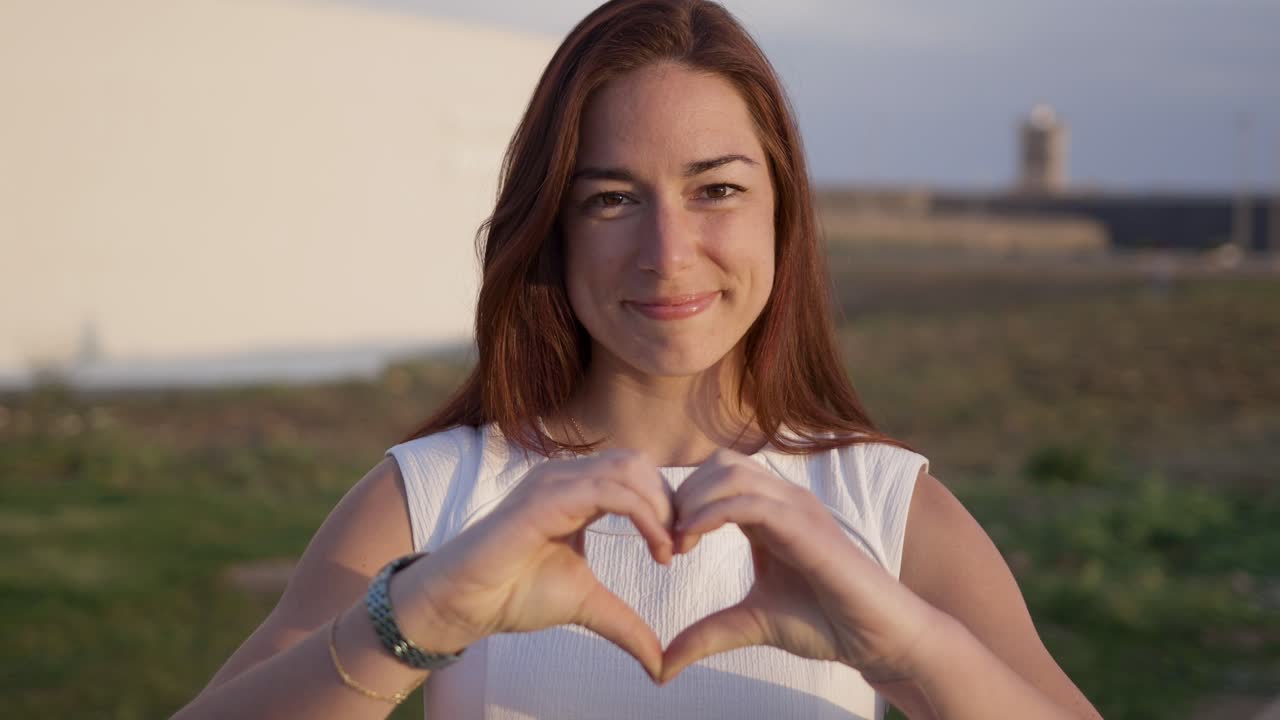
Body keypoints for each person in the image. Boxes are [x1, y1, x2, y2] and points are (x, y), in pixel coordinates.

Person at [174, 1, 1103, 718]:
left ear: (783, 211)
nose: (668, 251)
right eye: (613, 199)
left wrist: (907, 652)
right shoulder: (435, 498)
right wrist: (423, 618)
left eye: (717, 190)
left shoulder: (884, 507)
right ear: (553, 229)